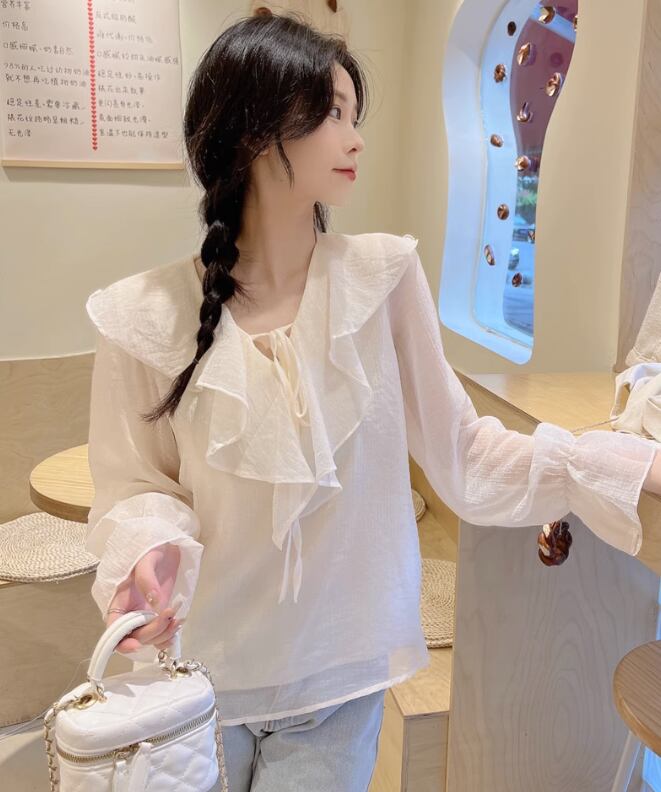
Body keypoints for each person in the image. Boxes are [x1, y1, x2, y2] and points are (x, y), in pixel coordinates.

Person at [83, 12, 661, 792]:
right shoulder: (142, 316)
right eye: (331, 115)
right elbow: (134, 485)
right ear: (252, 129)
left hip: (339, 676)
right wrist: (149, 546)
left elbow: (463, 454)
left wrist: (619, 465)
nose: (355, 140)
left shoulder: (382, 279)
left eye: (354, 116)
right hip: (196, 680)